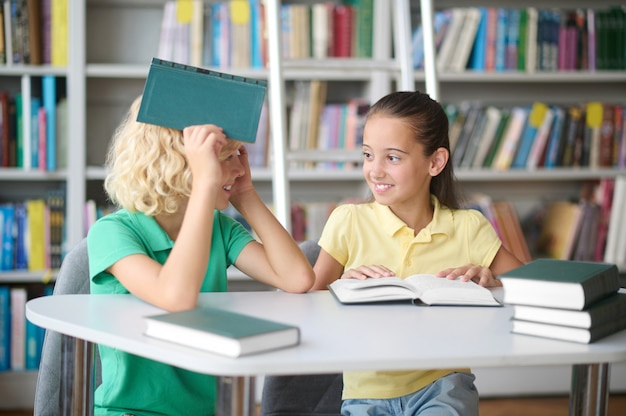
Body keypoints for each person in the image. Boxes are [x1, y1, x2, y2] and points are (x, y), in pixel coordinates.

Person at [87, 96, 315, 415]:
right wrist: (207, 182)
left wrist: (246, 195)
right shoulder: (112, 233)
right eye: (223, 157)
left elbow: (297, 278)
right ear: (180, 163)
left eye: (238, 155)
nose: (238, 168)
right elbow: (176, 296)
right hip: (132, 411)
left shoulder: (218, 229)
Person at [311, 91, 524, 416]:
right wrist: (339, 285)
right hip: (367, 392)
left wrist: (493, 281)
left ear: (435, 162)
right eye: (368, 155)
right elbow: (306, 301)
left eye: (392, 158)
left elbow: (538, 291)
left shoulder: (468, 227)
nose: (375, 171)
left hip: (443, 385)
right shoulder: (348, 220)